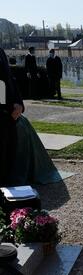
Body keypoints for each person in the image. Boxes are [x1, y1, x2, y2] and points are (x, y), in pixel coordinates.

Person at [0, 48, 24, 186]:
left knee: (9, 151)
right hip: (3, 111)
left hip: (7, 114)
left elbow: (10, 79)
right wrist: (8, 107)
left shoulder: (1, 51)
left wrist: (19, 103)